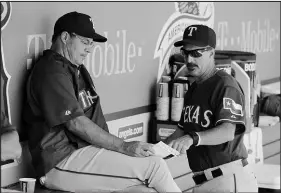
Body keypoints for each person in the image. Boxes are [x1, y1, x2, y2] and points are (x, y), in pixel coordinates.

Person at [23, 11, 181, 193]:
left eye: (92, 44)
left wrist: (118, 150)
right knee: (155, 166)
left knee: (144, 191)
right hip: (61, 160)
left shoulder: (75, 68)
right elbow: (75, 123)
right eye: (85, 42)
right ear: (65, 37)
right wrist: (123, 146)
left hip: (84, 153)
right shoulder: (51, 71)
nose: (89, 49)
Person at [164, 24, 258, 192]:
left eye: (196, 53)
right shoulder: (193, 89)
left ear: (211, 53)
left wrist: (192, 139)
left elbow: (228, 131)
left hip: (228, 180)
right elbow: (180, 133)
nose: (189, 60)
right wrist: (151, 152)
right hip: (203, 182)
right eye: (185, 53)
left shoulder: (225, 85)